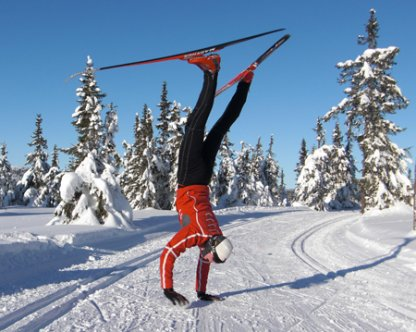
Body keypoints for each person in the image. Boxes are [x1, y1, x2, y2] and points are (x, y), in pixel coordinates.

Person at [159, 53, 254, 306]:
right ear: (212, 246)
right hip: (190, 177)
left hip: (203, 177)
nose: (207, 259)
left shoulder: (215, 236)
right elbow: (169, 253)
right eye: (211, 257)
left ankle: (245, 84)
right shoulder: (196, 234)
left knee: (222, 126)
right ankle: (211, 72)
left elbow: (204, 262)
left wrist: (201, 292)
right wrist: (167, 288)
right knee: (194, 125)